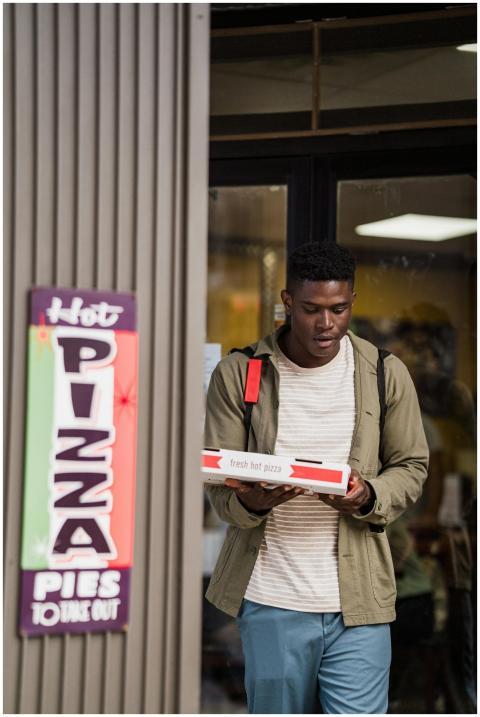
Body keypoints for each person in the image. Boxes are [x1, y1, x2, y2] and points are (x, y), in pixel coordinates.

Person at [204, 242, 429, 714]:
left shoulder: (385, 373)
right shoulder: (239, 373)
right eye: (311, 310)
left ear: (352, 301)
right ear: (287, 302)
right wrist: (258, 501)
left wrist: (368, 494)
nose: (326, 323)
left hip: (360, 603)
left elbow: (411, 467)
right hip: (272, 598)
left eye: (339, 308)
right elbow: (219, 488)